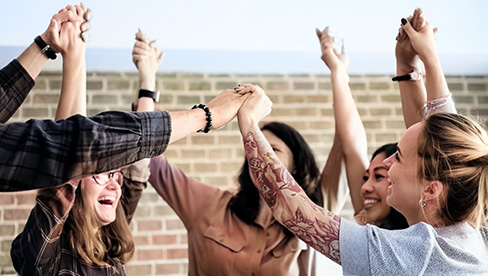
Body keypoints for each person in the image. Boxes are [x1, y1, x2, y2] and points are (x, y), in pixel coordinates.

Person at [237, 10, 488, 275]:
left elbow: (293, 209)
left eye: (398, 157)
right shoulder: (467, 233)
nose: (388, 162)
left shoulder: (415, 253)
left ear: (431, 190)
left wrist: (249, 124)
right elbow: (448, 144)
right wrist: (414, 62)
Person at [146, 32, 367, 275]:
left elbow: (350, 143)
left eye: (272, 150)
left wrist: (338, 72)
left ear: (295, 166)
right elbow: (150, 162)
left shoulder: (315, 208)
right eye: (253, 147)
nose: (258, 155)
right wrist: (147, 86)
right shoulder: (209, 206)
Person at [0, 7, 251, 193]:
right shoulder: (48, 242)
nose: (114, 180)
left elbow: (74, 146)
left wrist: (51, 46)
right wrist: (204, 115)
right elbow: (74, 148)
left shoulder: (113, 240)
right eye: (105, 171)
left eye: (112, 171)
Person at [12, 28, 169, 275]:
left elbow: (138, 162)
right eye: (103, 174)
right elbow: (66, 158)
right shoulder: (45, 254)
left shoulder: (109, 236)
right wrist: (75, 56)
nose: (117, 186)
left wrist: (148, 80)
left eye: (116, 175)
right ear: (75, 184)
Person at [315, 28, 408, 230]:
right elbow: (351, 142)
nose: (364, 187)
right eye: (366, 177)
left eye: (379, 176)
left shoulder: (424, 230)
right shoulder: (370, 225)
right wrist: (337, 70)